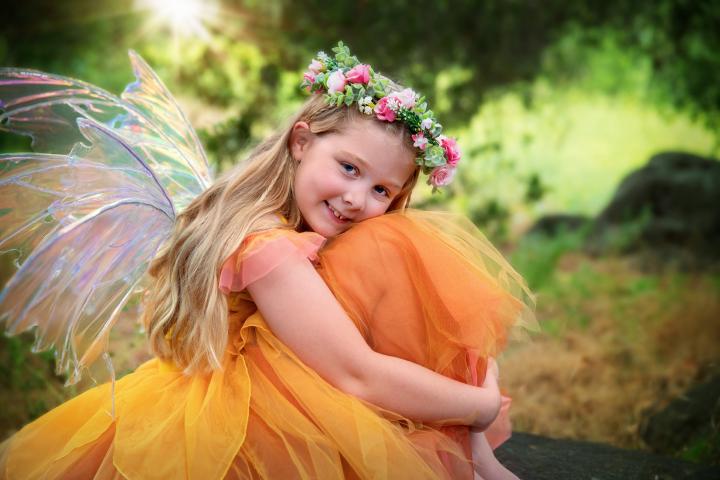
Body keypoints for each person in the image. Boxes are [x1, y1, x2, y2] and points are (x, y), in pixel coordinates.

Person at [0, 43, 534, 479]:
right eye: (348, 168)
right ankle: (472, 451)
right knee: (401, 249)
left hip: (306, 375)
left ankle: (473, 455)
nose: (357, 199)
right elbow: (357, 374)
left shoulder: (305, 221)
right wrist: (479, 406)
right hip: (258, 410)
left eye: (381, 190)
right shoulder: (266, 246)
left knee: (418, 255)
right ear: (302, 142)